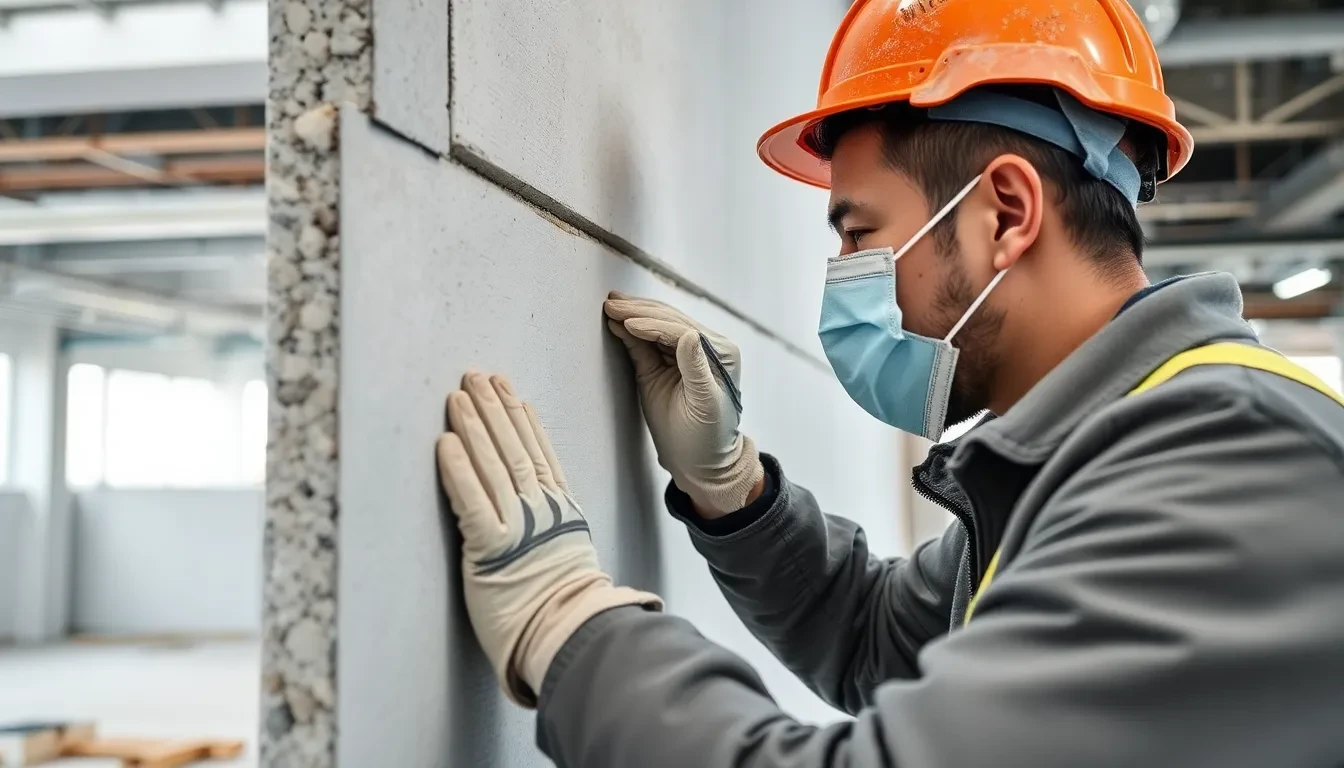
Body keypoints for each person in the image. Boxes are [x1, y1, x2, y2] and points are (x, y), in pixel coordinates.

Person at [433, 1, 1344, 765]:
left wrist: (571, 629)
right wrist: (734, 492)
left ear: (1008, 213)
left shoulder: (1222, 464)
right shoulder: (1091, 453)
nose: (843, 277)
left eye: (860, 235)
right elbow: (882, 640)